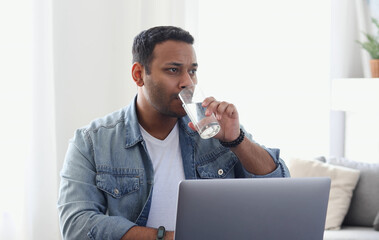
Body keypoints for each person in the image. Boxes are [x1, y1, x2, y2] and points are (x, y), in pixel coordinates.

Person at [57, 26, 290, 240]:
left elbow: (280, 192)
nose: (187, 82)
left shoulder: (215, 131)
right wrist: (168, 238)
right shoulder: (91, 141)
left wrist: (237, 140)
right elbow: (76, 225)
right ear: (138, 74)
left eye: (192, 71)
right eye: (173, 70)